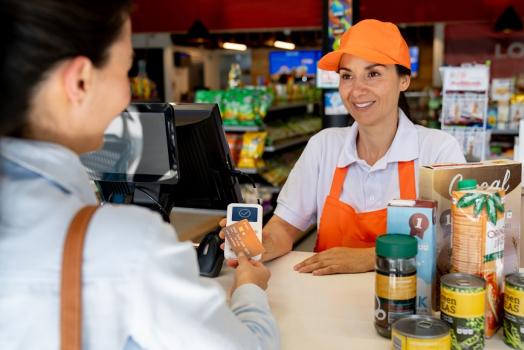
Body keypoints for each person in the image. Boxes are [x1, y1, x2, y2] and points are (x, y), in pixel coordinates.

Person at [0, 1, 279, 349]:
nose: (129, 94)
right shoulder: (124, 247)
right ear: (81, 82)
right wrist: (250, 288)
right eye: (126, 70)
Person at [222, 19, 465, 276]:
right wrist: (255, 244)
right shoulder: (323, 146)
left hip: (407, 305)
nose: (357, 90)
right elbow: (283, 227)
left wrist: (370, 257)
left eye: (373, 74)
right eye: (347, 76)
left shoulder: (438, 151)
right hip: (328, 302)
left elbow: (454, 245)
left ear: (403, 80)